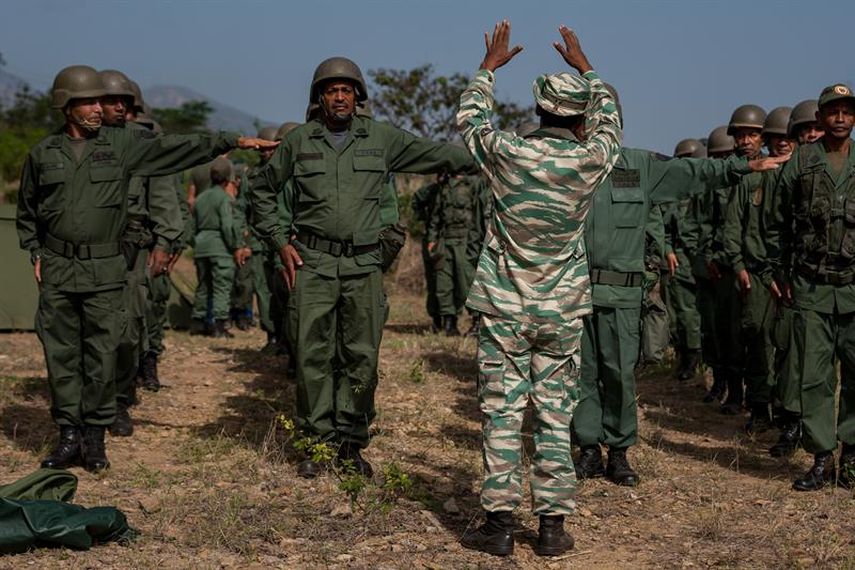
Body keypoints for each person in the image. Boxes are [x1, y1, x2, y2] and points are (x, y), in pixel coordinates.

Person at [15, 65, 274, 472]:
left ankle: (95, 439)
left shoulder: (123, 145)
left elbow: (177, 148)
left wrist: (234, 140)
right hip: (60, 269)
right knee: (61, 354)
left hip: (105, 267)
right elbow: (27, 212)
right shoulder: (43, 154)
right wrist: (35, 252)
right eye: (90, 102)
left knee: (103, 352)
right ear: (67, 105)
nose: (100, 108)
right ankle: (68, 435)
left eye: (102, 101)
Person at [250, 56, 475, 480]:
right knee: (312, 354)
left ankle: (351, 442)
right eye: (332, 90)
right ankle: (317, 442)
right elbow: (260, 190)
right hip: (312, 263)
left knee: (361, 356)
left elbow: (433, 153)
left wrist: (486, 156)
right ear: (320, 97)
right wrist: (280, 242)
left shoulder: (382, 138)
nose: (340, 96)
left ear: (358, 96)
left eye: (347, 90)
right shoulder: (299, 142)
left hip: (362, 265)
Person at [457, 21, 622, 557]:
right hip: (561, 309)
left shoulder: (506, 153)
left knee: (502, 414)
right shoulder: (590, 159)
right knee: (554, 414)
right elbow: (611, 124)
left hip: (505, 304)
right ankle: (551, 529)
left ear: (538, 110)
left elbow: (469, 119)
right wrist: (587, 66)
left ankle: (500, 527)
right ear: (578, 119)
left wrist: (488, 70)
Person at [766, 84, 855, 491]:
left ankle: (850, 458)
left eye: (846, 111)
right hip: (811, 285)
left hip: (854, 286)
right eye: (832, 111)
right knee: (815, 377)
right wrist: (778, 271)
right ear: (819, 118)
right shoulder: (801, 162)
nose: (840, 117)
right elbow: (777, 219)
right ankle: (821, 457)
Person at [723, 106, 794, 433]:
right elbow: (733, 225)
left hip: (790, 274)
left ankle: (787, 411)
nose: (782, 144)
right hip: (756, 273)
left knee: (788, 345)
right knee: (758, 342)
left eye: (787, 138)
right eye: (776, 138)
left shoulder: (800, 177)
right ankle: (760, 407)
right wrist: (738, 266)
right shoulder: (752, 177)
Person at [766, 99, 824, 457]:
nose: (812, 135)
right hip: (796, 277)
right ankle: (790, 422)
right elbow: (776, 226)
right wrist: (777, 271)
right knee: (789, 351)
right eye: (805, 131)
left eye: (814, 129)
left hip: (834, 279)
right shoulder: (788, 173)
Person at [191, 157, 240, 338]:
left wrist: (195, 243)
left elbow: (191, 227)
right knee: (221, 287)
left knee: (203, 286)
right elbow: (227, 226)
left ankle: (197, 322)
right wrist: (234, 246)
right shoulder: (224, 199)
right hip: (219, 247)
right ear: (227, 179)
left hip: (201, 246)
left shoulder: (200, 198)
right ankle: (220, 326)